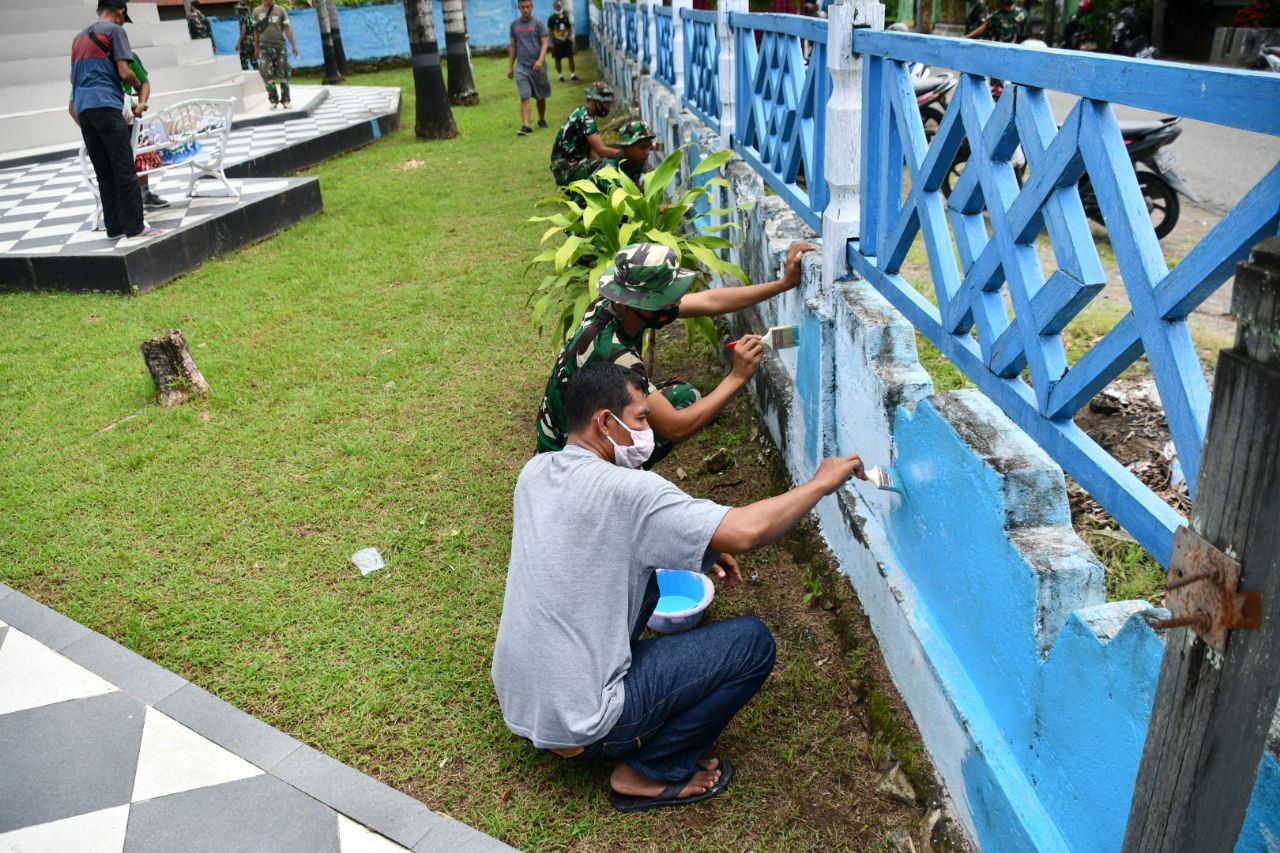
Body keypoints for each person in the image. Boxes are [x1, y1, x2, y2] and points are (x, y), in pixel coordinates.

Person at [495, 360, 868, 812]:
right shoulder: (631, 491)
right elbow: (748, 530)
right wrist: (821, 483)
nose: (649, 429)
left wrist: (705, 546)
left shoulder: (535, 473)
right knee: (751, 643)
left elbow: (600, 541)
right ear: (605, 422)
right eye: (641, 418)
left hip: (521, 701)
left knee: (646, 580)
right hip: (584, 722)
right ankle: (646, 772)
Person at [535, 240, 817, 466]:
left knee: (683, 396)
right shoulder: (614, 352)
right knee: (677, 412)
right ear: (641, 301)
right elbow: (677, 428)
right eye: (666, 297)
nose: (674, 303)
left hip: (582, 419)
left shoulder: (616, 307)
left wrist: (783, 284)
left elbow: (710, 300)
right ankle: (611, 481)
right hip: (565, 455)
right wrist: (738, 376)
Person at [70, 0, 161, 240]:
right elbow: (124, 71)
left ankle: (114, 226)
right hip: (106, 104)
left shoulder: (78, 38)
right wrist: (137, 86)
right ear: (120, 12)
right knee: (123, 167)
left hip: (84, 109)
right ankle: (136, 227)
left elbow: (75, 80)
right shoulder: (115, 31)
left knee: (104, 171)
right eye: (124, 17)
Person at [69, 50, 170, 210]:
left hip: (126, 115)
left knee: (135, 153)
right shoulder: (91, 65)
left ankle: (142, 193)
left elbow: (143, 82)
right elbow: (73, 104)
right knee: (117, 164)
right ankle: (125, 204)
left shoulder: (129, 57)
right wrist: (91, 130)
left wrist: (141, 103)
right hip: (105, 118)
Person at [550, 81, 620, 186]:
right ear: (596, 101)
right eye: (606, 103)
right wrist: (623, 154)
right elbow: (601, 150)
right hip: (564, 168)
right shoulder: (585, 118)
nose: (608, 107)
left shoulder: (583, 113)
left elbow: (593, 153)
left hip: (567, 166)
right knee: (606, 167)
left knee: (604, 163)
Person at [508, 0, 551, 137]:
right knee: (524, 96)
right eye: (523, 7)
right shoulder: (514, 25)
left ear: (532, 7)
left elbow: (544, 43)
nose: (525, 10)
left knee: (540, 97)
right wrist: (510, 67)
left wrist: (540, 60)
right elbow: (513, 46)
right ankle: (526, 125)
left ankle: (541, 119)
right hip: (522, 67)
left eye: (528, 7)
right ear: (519, 8)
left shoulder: (538, 23)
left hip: (537, 67)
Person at [252, 0, 298, 109]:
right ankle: (273, 100)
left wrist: (293, 46)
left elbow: (287, 28)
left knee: (284, 74)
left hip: (280, 47)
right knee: (267, 74)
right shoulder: (256, 11)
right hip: (264, 48)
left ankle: (286, 100)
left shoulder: (281, 10)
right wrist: (256, 48)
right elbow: (256, 31)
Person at [590, 119, 655, 189]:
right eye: (642, 147)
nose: (647, 152)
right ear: (626, 147)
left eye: (649, 146)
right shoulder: (610, 171)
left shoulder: (637, 161)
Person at [548, 0, 577, 83]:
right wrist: (552, 43)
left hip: (566, 41)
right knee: (557, 59)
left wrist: (569, 37)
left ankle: (573, 75)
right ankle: (560, 76)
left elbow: (569, 28)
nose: (558, 7)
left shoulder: (565, 16)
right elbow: (550, 31)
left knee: (571, 57)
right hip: (557, 42)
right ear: (554, 7)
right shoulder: (552, 18)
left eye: (559, 5)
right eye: (557, 5)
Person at [234, 0, 257, 70]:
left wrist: (238, 43)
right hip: (252, 41)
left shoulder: (242, 18)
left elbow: (243, 31)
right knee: (254, 61)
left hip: (246, 43)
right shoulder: (251, 17)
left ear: (242, 9)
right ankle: (260, 76)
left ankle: (247, 78)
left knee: (244, 61)